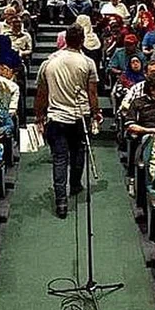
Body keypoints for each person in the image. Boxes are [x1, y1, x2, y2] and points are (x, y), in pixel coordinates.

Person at [34, 24, 100, 219]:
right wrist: (96, 113)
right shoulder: (88, 62)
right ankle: (76, 184)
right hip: (79, 117)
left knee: (59, 159)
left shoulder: (49, 62)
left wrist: (39, 115)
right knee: (78, 151)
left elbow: (41, 93)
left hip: (56, 117)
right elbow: (92, 93)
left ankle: (61, 201)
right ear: (81, 40)